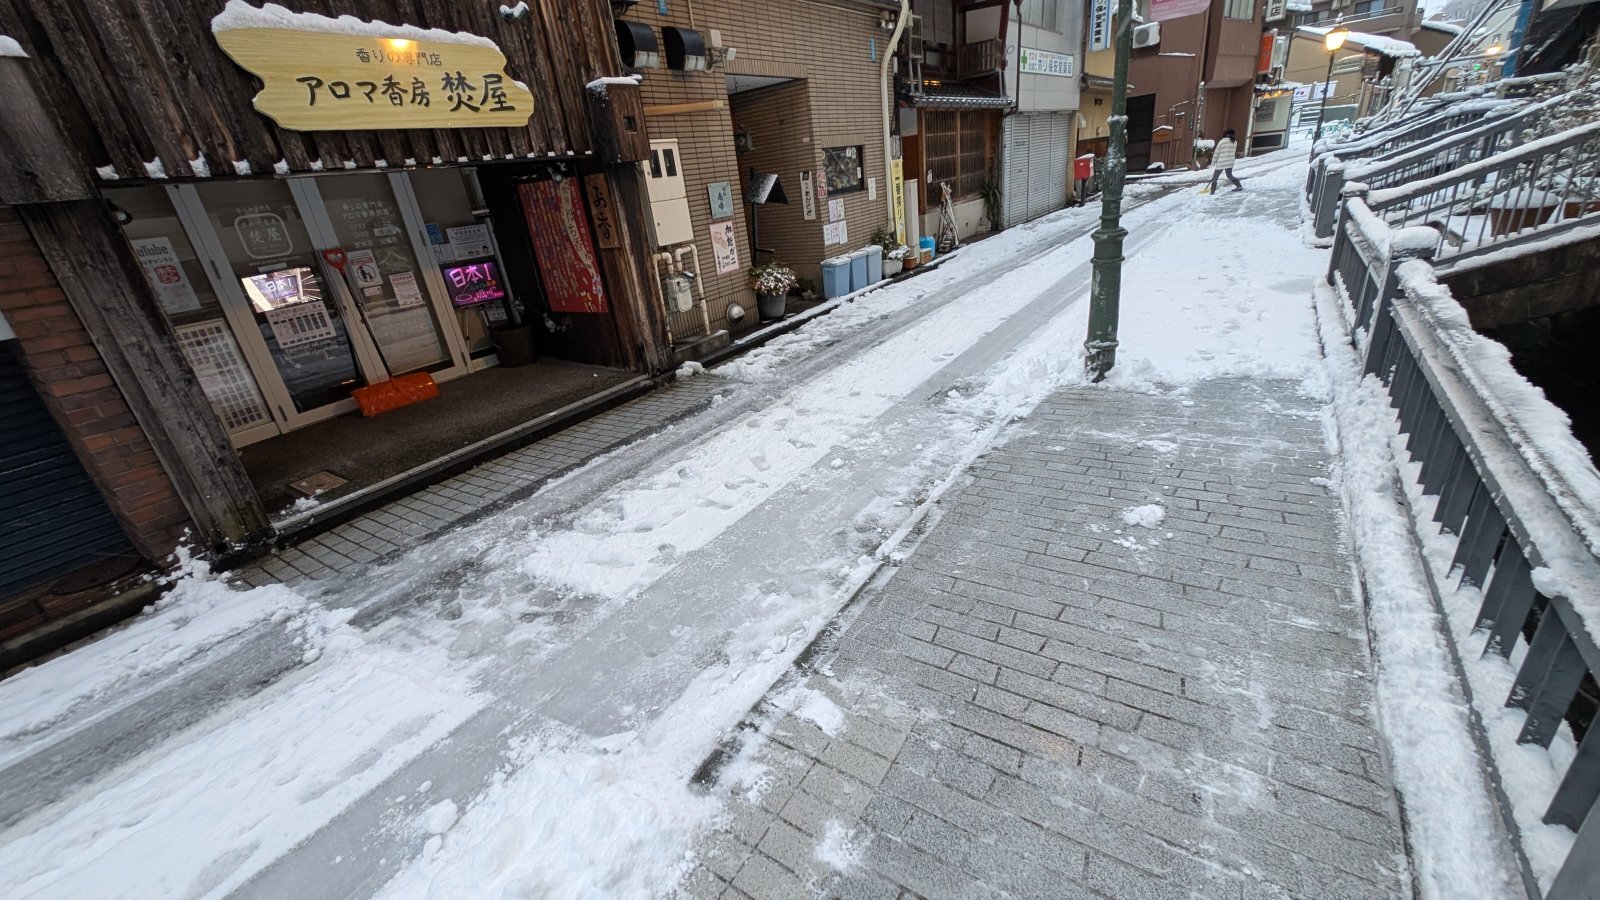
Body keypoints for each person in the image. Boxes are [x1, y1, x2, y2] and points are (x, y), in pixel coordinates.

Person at [1209, 129, 1243, 193]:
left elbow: (1216, 153)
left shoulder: (1222, 141)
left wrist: (1213, 162)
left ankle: (1212, 192)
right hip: (1230, 162)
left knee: (1215, 177)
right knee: (1229, 175)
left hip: (1221, 162)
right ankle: (1239, 186)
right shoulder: (1234, 142)